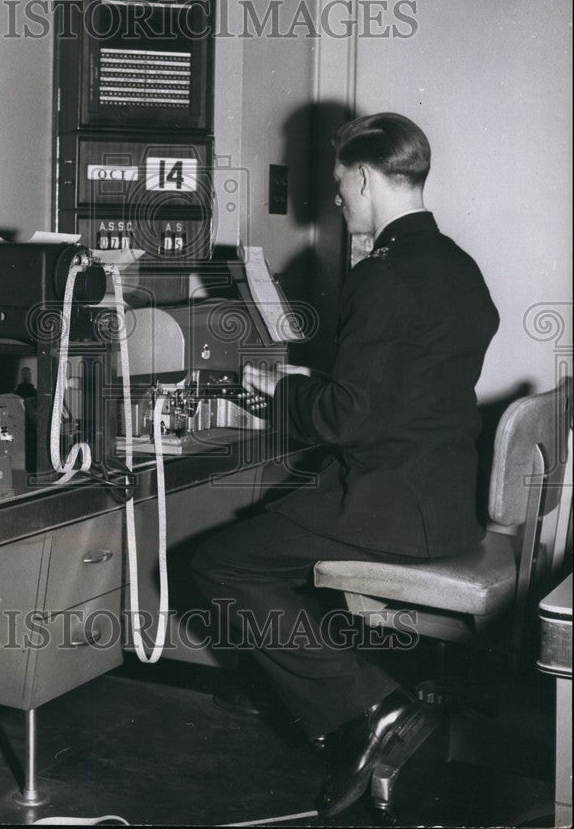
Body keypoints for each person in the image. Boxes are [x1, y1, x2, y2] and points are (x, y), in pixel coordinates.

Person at [191, 112, 499, 815]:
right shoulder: (458, 266)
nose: (336, 200)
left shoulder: (379, 276)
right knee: (276, 518)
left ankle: (371, 707)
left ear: (363, 178)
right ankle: (347, 704)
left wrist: (281, 391)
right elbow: (404, 390)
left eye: (338, 185)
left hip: (392, 505)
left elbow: (343, 419)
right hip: (448, 499)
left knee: (220, 565)